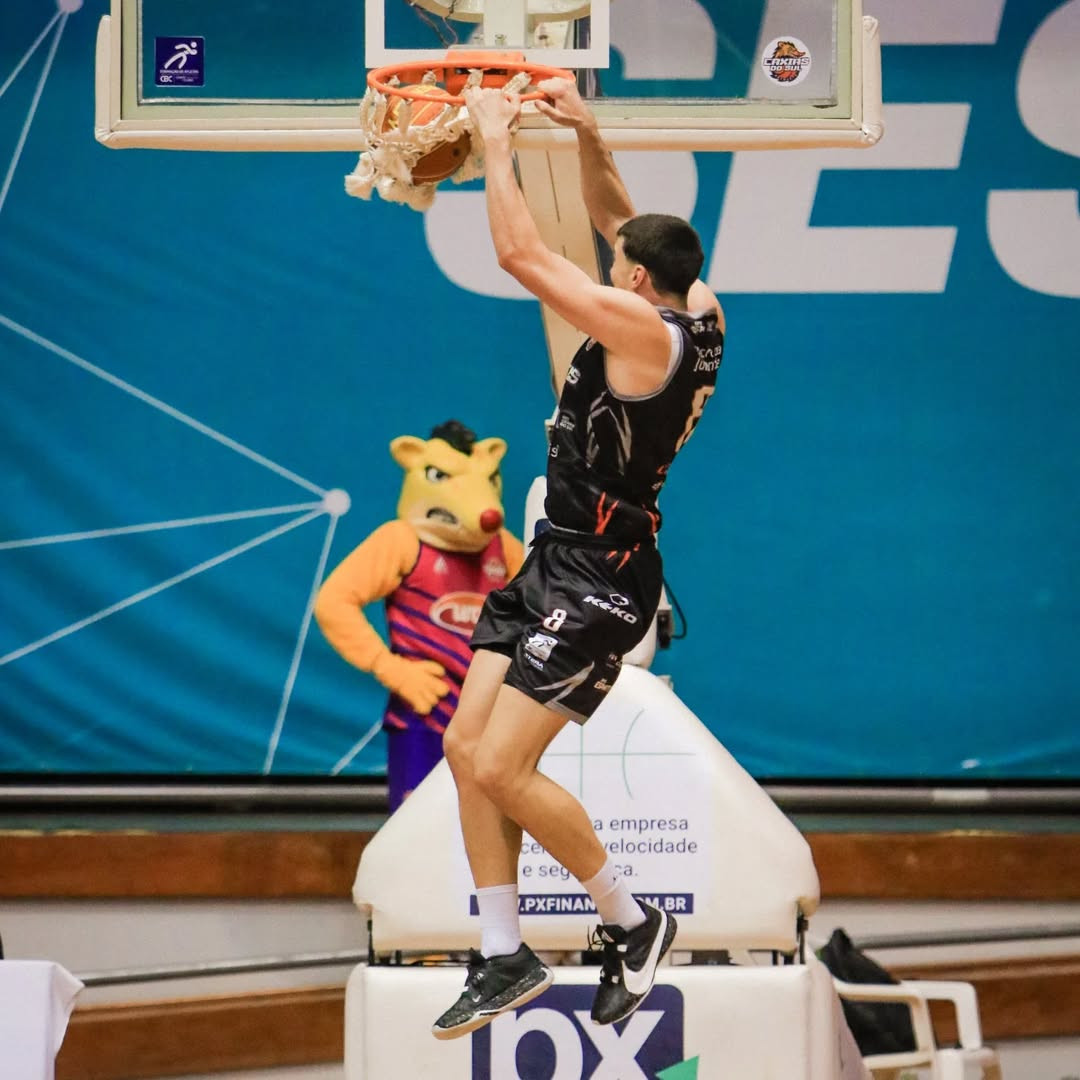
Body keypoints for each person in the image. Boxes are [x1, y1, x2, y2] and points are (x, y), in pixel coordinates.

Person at [432, 77, 726, 1041]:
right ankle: (502, 953)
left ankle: (634, 922)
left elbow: (520, 254)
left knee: (505, 766)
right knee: (465, 750)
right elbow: (619, 220)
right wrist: (588, 131)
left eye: (618, 264)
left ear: (635, 284)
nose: (611, 260)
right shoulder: (699, 307)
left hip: (601, 576)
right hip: (555, 555)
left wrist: (495, 140)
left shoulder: (637, 333)